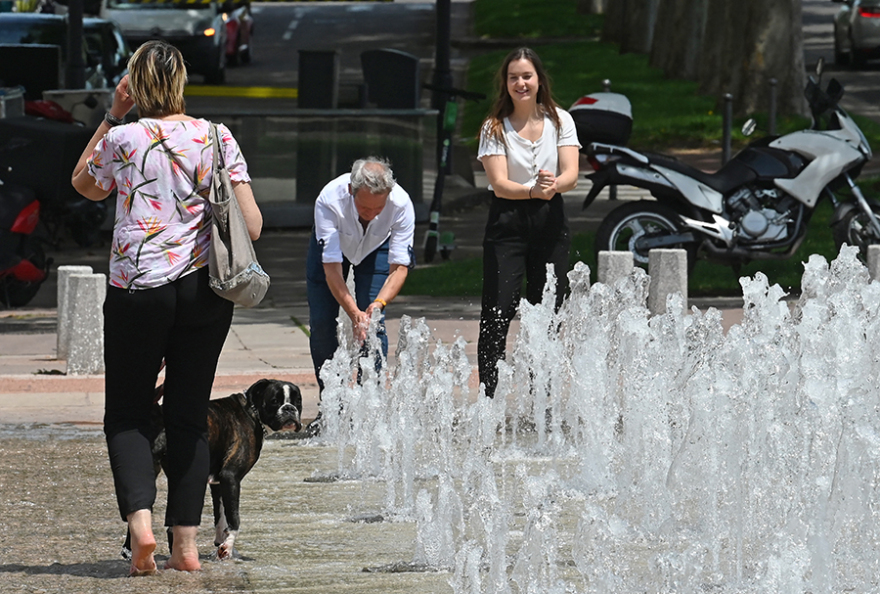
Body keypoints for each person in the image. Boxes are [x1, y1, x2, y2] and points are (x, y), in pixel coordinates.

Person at [71, 40, 262, 575]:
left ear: (135, 85)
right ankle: (186, 545)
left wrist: (113, 114)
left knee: (128, 412)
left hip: (137, 291)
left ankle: (141, 528)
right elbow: (251, 226)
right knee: (188, 415)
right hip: (203, 292)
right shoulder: (217, 137)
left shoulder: (122, 138)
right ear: (181, 82)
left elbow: (84, 185)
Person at [476, 47, 581, 398]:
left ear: (539, 80)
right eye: (513, 78)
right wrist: (533, 190)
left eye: (526, 76)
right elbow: (499, 184)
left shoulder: (561, 120)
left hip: (550, 219)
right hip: (507, 222)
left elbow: (571, 174)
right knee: (498, 309)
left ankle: (542, 398)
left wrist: (552, 186)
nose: (520, 83)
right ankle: (489, 398)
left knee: (547, 311)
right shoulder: (494, 126)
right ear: (505, 83)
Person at [305, 157, 415, 432]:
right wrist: (353, 312)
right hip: (333, 252)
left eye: (379, 208)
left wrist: (376, 305)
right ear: (351, 192)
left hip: (377, 247)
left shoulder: (401, 203)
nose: (372, 214)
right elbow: (332, 270)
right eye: (365, 207)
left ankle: (371, 407)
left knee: (373, 325)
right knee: (321, 322)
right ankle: (332, 406)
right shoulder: (329, 199)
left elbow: (399, 268)